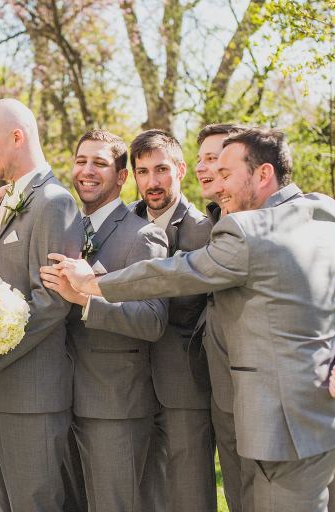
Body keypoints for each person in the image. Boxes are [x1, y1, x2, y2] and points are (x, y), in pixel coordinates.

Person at [51, 128, 335, 512]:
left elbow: (175, 273)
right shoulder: (321, 212)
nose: (214, 180)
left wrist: (93, 284)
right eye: (207, 163)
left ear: (263, 173)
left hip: (281, 418)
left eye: (223, 170)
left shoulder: (247, 229)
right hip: (242, 400)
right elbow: (329, 297)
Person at [192, 123, 335, 512]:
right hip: (231, 404)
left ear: (257, 171)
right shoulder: (196, 228)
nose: (206, 168)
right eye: (202, 160)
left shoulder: (293, 221)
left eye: (218, 162)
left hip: (299, 414)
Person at [40, 129, 168, 511]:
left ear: (122, 176)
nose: (87, 170)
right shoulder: (64, 228)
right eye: (81, 161)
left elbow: (153, 320)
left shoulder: (142, 236)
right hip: (62, 400)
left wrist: (85, 299)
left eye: (99, 163)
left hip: (115, 406)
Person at [0, 98, 83, 511]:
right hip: (1, 393)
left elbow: (51, 300)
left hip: (33, 393)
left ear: (17, 137)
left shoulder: (54, 202)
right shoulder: (5, 201)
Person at [127, 129, 215, 512]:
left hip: (184, 384)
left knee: (190, 491)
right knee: (142, 492)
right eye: (143, 171)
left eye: (161, 169)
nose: (152, 181)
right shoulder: (123, 224)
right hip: (128, 384)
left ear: (180, 170)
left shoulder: (204, 231)